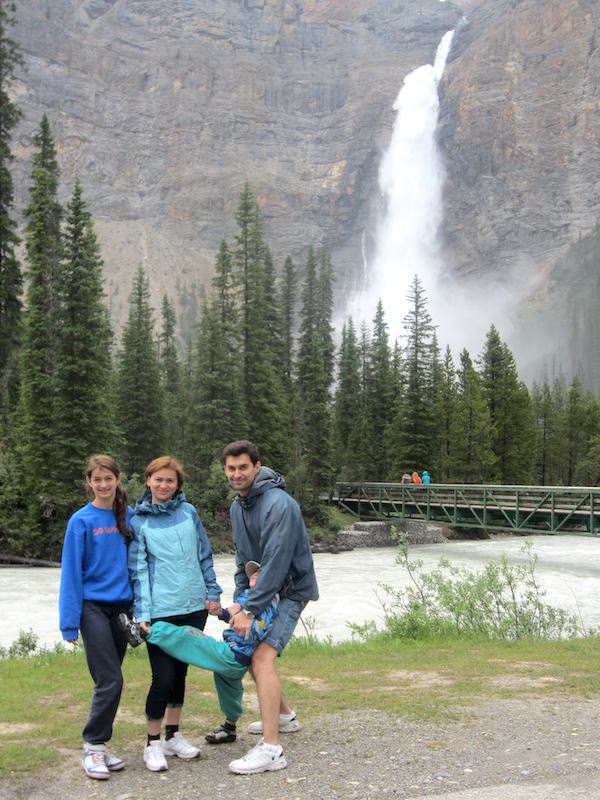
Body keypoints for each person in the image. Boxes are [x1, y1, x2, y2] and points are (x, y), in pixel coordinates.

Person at [220, 440, 319, 775]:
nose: (237, 474)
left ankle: (272, 749)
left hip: (290, 589)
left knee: (262, 656)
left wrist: (250, 612)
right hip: (263, 591)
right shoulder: (238, 506)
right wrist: (239, 602)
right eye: (231, 468)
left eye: (243, 467)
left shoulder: (279, 504)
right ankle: (283, 716)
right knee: (250, 650)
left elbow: (276, 563)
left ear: (257, 467)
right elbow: (241, 559)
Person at [119, 561, 278, 753]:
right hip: (232, 653)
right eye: (253, 573)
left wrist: (249, 623)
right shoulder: (247, 596)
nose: (255, 575)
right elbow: (230, 613)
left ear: (270, 581)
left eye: (261, 574)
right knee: (230, 691)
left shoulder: (269, 601)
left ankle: (144, 632)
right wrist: (219, 610)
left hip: (233, 655)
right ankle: (230, 727)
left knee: (190, 635)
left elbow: (260, 627)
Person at [128, 455, 222, 772]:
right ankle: (152, 744)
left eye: (170, 480)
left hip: (195, 607)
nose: (164, 485)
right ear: (148, 481)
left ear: (177, 484)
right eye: (159, 479)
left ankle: (173, 736)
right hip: (160, 612)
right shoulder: (138, 521)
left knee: (180, 675)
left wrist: (213, 591)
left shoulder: (189, 512)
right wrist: (142, 613)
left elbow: (204, 554)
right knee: (162, 678)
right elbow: (138, 570)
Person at [58, 454, 134, 781]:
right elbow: (71, 573)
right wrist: (69, 621)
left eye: (108, 478)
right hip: (92, 608)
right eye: (97, 479)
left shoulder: (129, 516)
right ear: (88, 482)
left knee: (108, 679)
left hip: (123, 609)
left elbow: (140, 565)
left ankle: (101, 746)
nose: (103, 485)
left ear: (117, 479)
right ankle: (92, 746)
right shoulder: (81, 521)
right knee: (111, 680)